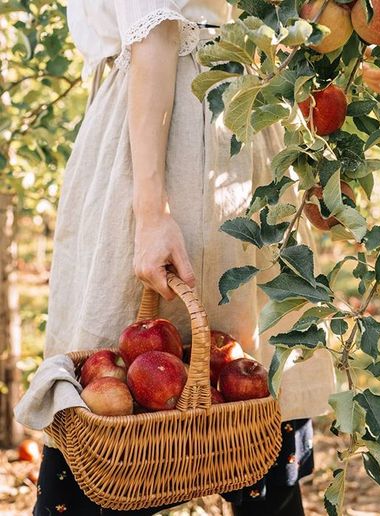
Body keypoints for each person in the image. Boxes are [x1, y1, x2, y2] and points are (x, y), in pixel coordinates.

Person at [35, 1, 336, 514]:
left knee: (124, 410)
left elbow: (156, 34)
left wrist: (152, 212)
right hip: (233, 117)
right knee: (247, 398)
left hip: (177, 131)